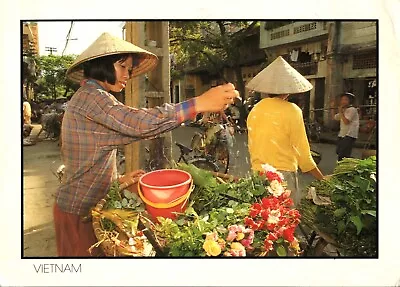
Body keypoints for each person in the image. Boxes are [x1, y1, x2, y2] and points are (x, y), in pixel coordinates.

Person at [53, 32, 239, 257]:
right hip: (78, 211)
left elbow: (95, 151)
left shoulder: (92, 96)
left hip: (86, 204)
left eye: (129, 70)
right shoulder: (93, 98)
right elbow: (140, 124)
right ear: (103, 65)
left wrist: (116, 182)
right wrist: (198, 103)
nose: (127, 75)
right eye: (123, 67)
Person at [246, 56, 324, 206]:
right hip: (282, 177)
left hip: (257, 175)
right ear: (288, 92)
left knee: (263, 220)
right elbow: (303, 153)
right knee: (284, 222)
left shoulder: (255, 110)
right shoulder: (292, 110)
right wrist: (321, 177)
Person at [331, 92, 359, 161]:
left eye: (346, 100)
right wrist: (332, 108)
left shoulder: (352, 109)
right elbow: (334, 118)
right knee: (338, 151)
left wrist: (341, 112)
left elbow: (346, 122)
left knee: (343, 154)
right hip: (342, 134)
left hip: (349, 134)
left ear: (350, 101)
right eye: (342, 100)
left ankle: (342, 168)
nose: (343, 101)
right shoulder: (344, 110)